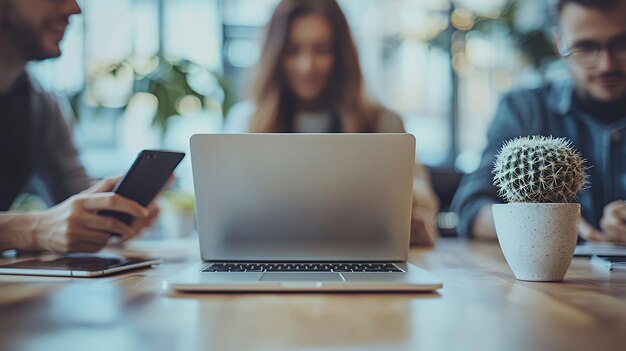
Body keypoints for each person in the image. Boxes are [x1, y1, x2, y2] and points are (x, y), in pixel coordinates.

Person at [224, 0, 440, 245]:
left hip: (362, 254)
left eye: (322, 50)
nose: (307, 66)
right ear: (275, 56)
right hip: (270, 252)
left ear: (342, 54)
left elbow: (425, 202)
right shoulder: (246, 122)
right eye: (292, 51)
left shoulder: (382, 122)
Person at [451, 0, 626, 242]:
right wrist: (554, 226)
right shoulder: (523, 109)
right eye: (585, 48)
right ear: (559, 44)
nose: (606, 64)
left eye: (621, 44)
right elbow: (471, 209)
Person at [0, 0, 160, 253]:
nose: (74, 9)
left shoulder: (41, 102)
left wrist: (111, 214)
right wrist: (32, 229)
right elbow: (42, 227)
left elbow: (74, 194)